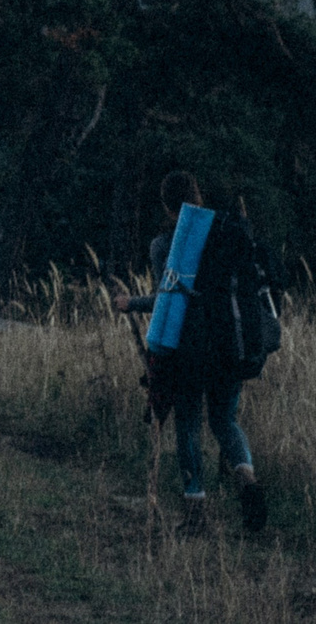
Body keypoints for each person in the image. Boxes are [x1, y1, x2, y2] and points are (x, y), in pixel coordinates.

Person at [114, 171, 270, 534]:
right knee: (224, 421)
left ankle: (196, 513)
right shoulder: (229, 230)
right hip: (231, 346)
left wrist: (129, 303)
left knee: (187, 424)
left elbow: (167, 298)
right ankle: (247, 478)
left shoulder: (165, 245)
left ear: (168, 207)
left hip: (190, 351)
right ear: (199, 194)